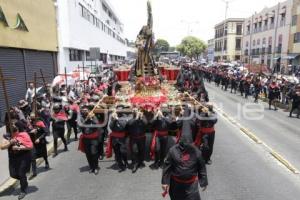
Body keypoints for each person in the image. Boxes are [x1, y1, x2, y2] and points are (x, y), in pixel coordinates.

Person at [161, 131, 208, 200]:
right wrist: (165, 182)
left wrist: (204, 181)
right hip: (176, 185)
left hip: (191, 185)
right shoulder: (173, 150)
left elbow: (201, 167)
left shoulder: (196, 151)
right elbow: (167, 166)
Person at [0, 121, 33, 200]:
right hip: (12, 158)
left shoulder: (23, 134)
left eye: (14, 124)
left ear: (18, 126)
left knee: (21, 173)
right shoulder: (7, 135)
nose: (12, 126)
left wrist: (19, 147)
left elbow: (30, 146)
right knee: (13, 174)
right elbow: (2, 147)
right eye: (11, 124)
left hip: (23, 157)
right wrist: (10, 142)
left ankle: (23, 190)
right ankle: (24, 181)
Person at [78, 106, 101, 175]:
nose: (84, 111)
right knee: (88, 154)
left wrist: (91, 119)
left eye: (86, 110)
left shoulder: (93, 116)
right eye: (83, 110)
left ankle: (96, 167)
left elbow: (97, 124)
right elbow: (80, 126)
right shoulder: (81, 118)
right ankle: (91, 167)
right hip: (86, 138)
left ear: (88, 111)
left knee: (94, 153)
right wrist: (86, 120)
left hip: (93, 138)